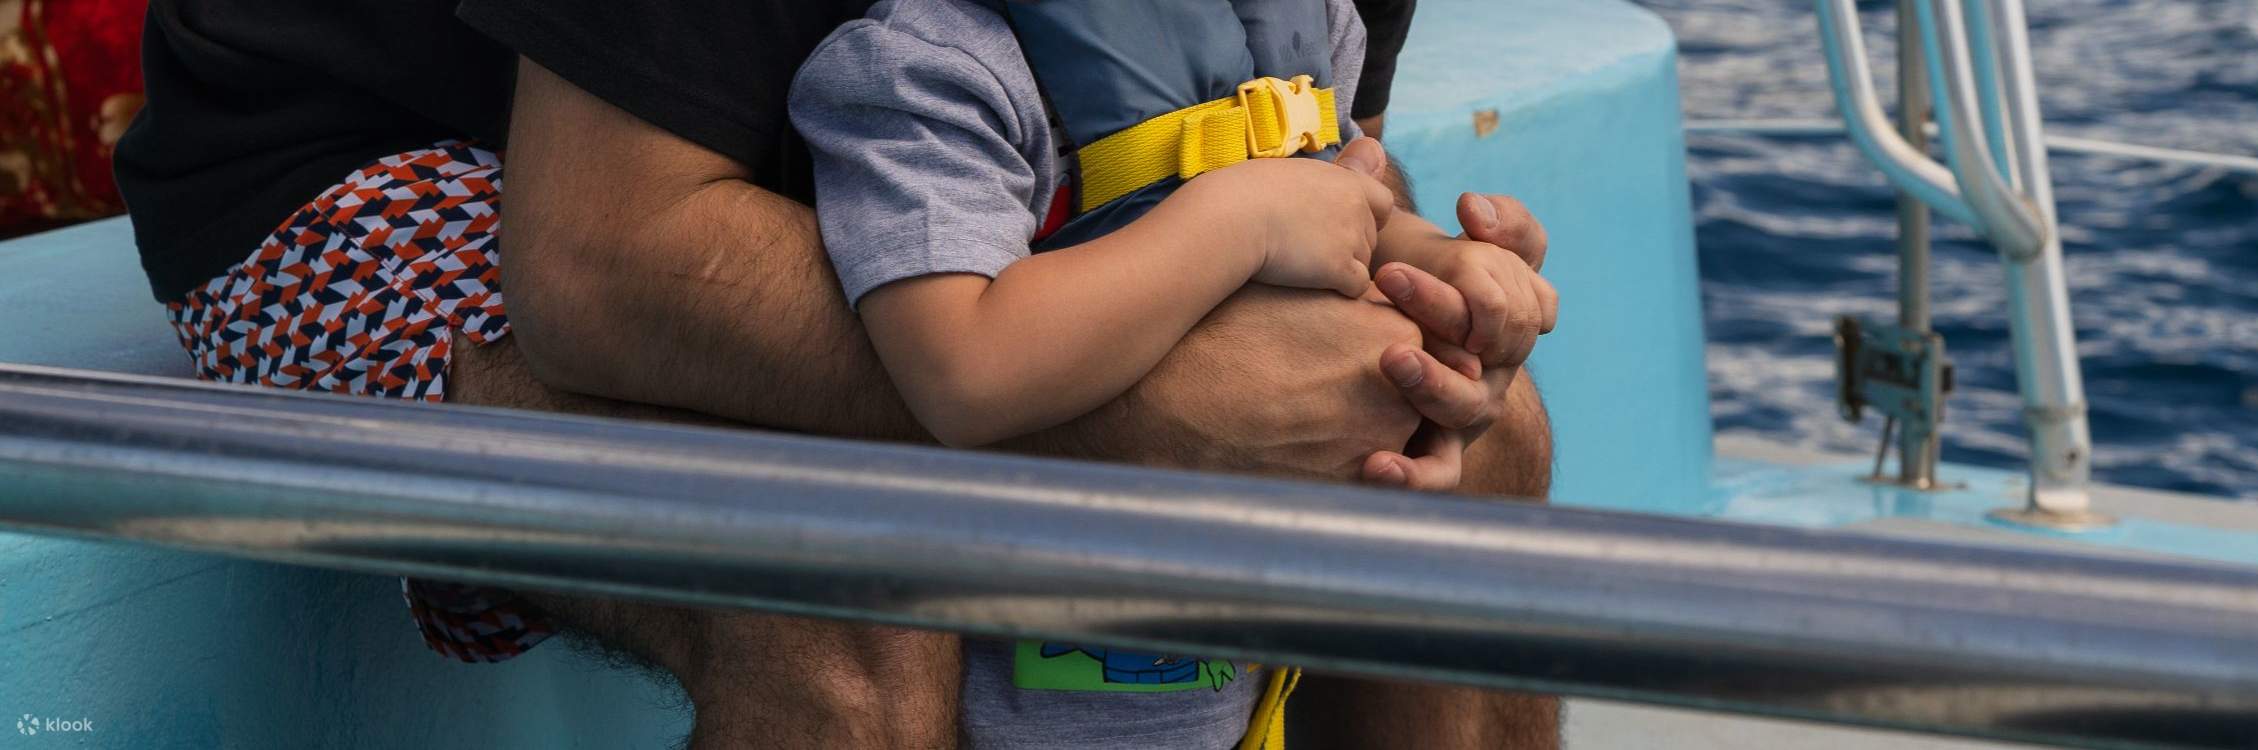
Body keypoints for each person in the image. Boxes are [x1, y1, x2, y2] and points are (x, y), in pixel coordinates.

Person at [116, 0, 1558, 747]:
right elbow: (594, 262)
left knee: (1470, 464)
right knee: (841, 588)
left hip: (902, 141)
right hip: (400, 167)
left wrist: (1428, 311)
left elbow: (1301, 149)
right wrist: (1140, 411)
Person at [784, 0, 1556, 746]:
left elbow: (1346, 207)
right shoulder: (924, 72)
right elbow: (963, 371)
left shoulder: (1308, 21)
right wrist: (1245, 221)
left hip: (1233, 665)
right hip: (1020, 696)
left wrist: (1437, 266)